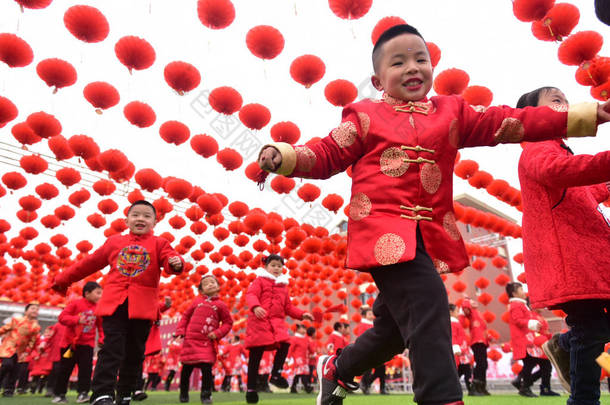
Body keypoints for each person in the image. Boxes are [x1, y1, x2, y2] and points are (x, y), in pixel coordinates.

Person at [257, 23, 610, 405]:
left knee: (393, 331)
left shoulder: (452, 112)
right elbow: (327, 153)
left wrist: (584, 115)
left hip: (429, 235)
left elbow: (511, 121)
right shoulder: (362, 117)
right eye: (398, 62)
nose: (412, 67)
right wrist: (288, 156)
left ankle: (338, 369)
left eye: (420, 59)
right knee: (429, 304)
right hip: (383, 236)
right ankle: (442, 398)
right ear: (378, 81)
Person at [516, 86, 610, 405]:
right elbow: (559, 172)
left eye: (565, 100)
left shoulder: (559, 148)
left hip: (587, 257)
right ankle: (583, 398)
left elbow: (584, 191)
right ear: (534, 116)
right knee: (591, 328)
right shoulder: (537, 147)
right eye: (555, 100)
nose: (565, 105)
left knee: (592, 329)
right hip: (569, 261)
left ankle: (565, 344)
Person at [52, 200, 185, 405]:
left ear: (154, 223)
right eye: (136, 215)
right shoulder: (114, 242)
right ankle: (102, 394)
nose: (141, 219)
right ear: (126, 220)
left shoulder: (160, 243)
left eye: (147, 216)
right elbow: (89, 263)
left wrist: (176, 263)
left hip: (142, 308)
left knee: (135, 352)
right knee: (111, 348)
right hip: (114, 305)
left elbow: (170, 259)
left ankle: (124, 393)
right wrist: (63, 279)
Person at [244, 254, 313, 404]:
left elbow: (288, 307)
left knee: (286, 343)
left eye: (279, 266)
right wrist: (255, 306)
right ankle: (251, 390)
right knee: (255, 356)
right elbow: (250, 295)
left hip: (276, 323)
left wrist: (302, 314)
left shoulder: (283, 287)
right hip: (259, 321)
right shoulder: (259, 281)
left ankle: (275, 374)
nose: (276, 268)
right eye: (273, 265)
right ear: (266, 266)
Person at [174, 274, 233, 404]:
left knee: (206, 369)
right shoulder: (196, 302)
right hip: (191, 340)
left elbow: (228, 323)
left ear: (218, 287)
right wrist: (180, 332)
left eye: (213, 282)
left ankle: (206, 395)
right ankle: (183, 394)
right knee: (186, 369)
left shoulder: (221, 305)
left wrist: (217, 333)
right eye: (206, 284)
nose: (210, 284)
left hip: (207, 342)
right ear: (201, 290)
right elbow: (185, 317)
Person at [52, 281, 103, 404]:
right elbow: (62, 318)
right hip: (69, 344)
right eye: (98, 293)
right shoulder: (75, 304)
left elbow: (101, 326)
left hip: (87, 344)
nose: (100, 296)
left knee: (85, 370)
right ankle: (59, 395)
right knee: (65, 369)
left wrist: (102, 339)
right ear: (87, 293)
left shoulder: (99, 308)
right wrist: (77, 319)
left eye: (101, 293)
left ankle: (83, 393)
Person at [506, 282, 546, 397]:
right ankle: (525, 387)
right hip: (523, 340)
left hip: (527, 338)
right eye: (521, 289)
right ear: (514, 293)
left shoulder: (521, 305)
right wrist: (530, 323)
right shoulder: (516, 305)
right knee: (530, 362)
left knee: (531, 363)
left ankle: (521, 382)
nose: (524, 292)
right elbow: (518, 320)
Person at [0, 303, 40, 397]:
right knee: (7, 364)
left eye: (36, 309)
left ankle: (9, 390)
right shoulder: (16, 320)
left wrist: (27, 352)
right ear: (26, 311)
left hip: (21, 351)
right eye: (32, 308)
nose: (35, 310)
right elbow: (3, 329)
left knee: (15, 370)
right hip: (9, 347)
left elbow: (32, 341)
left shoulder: (36, 327)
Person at [459, 298, 490, 395]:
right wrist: (466, 300)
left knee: (484, 364)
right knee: (481, 363)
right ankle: (475, 385)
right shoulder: (471, 312)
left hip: (483, 341)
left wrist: (489, 337)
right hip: (477, 341)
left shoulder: (478, 313)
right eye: (472, 301)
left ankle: (482, 386)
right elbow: (465, 307)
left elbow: (483, 328)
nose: (475, 302)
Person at [356, 308, 387, 395]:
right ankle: (365, 384)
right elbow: (361, 338)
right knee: (369, 370)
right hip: (369, 350)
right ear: (364, 316)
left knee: (381, 370)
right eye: (369, 314)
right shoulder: (363, 325)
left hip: (378, 350)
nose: (371, 316)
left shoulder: (374, 324)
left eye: (371, 314)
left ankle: (379, 387)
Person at [449, 304, 475, 397]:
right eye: (456, 311)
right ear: (451, 312)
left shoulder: (456, 322)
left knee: (460, 371)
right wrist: (455, 347)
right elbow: (453, 336)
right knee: (465, 370)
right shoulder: (452, 323)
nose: (458, 313)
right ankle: (470, 389)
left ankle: (453, 387)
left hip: (462, 350)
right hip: (460, 352)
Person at [288, 324, 313, 394]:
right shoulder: (294, 338)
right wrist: (288, 358)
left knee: (299, 374)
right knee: (302, 373)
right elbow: (290, 349)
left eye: (305, 329)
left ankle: (293, 388)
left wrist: (313, 353)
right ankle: (307, 387)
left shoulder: (306, 339)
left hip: (305, 358)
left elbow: (310, 347)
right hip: (298, 359)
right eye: (302, 329)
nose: (304, 330)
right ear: (298, 330)